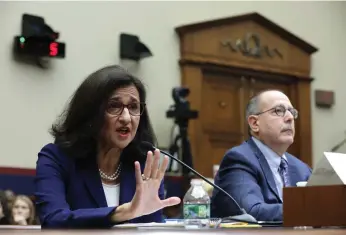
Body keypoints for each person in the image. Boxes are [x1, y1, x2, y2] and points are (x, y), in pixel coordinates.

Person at [35, 65, 181, 228]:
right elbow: (53, 220)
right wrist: (123, 212)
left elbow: (150, 228)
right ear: (90, 113)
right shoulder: (56, 158)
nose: (126, 118)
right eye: (114, 106)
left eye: (133, 107)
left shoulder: (144, 164)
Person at [211, 90, 312, 221]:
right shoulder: (239, 159)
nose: (290, 118)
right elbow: (251, 212)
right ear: (254, 123)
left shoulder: (301, 169)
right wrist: (310, 209)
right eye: (278, 111)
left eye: (292, 112)